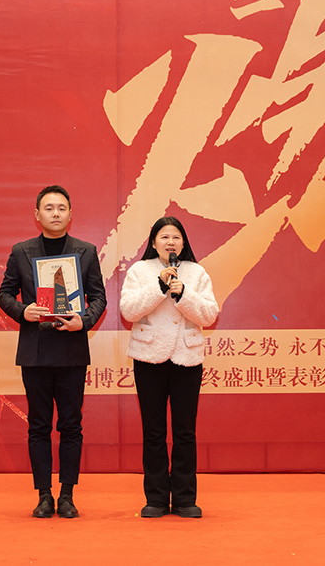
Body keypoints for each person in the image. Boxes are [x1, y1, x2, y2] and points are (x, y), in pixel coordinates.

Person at [0, 185, 106, 518]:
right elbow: (4, 294)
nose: (55, 213)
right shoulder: (21, 252)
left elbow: (99, 297)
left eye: (61, 208)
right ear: (37, 214)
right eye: (49, 208)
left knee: (71, 425)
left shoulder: (86, 252)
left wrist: (84, 321)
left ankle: (67, 495)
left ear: (70, 214)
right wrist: (23, 311)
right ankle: (44, 495)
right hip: (36, 352)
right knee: (39, 425)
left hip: (71, 351)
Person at [119, 216, 218, 518]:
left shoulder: (196, 272)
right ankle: (157, 499)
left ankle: (185, 499)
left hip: (187, 358)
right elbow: (128, 311)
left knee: (185, 431)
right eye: (164, 237)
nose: (170, 242)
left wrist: (183, 293)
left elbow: (209, 315)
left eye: (176, 237)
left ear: (183, 242)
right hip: (149, 358)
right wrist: (159, 286)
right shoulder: (139, 271)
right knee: (154, 431)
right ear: (153, 242)